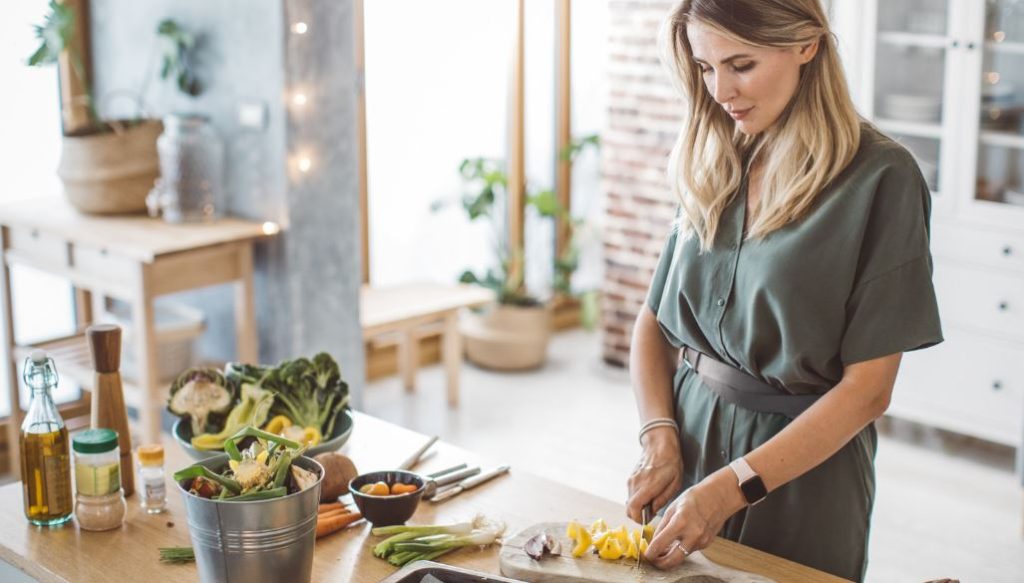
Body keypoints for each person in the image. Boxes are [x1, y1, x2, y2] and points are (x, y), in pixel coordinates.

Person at [626, 1, 943, 581]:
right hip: (689, 441)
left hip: (802, 473)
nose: (721, 90)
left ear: (807, 45)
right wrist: (659, 436)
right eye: (704, 67)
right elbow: (654, 323)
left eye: (741, 63)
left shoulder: (882, 178)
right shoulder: (713, 152)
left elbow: (868, 392)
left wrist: (732, 487)